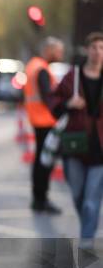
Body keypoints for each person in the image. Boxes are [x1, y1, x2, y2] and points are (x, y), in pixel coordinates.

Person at [50, 32, 103, 249]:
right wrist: (68, 104)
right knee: (78, 195)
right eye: (94, 47)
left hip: (100, 147)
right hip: (75, 145)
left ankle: (87, 239)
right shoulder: (73, 76)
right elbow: (53, 103)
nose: (98, 52)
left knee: (91, 199)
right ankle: (88, 228)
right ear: (87, 50)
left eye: (102, 48)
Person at [25, 37, 65, 214]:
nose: (60, 55)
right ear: (49, 50)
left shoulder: (33, 65)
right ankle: (41, 199)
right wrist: (62, 111)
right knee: (45, 161)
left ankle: (38, 198)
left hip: (37, 119)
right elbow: (47, 97)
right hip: (45, 120)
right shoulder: (41, 69)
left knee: (40, 160)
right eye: (58, 51)